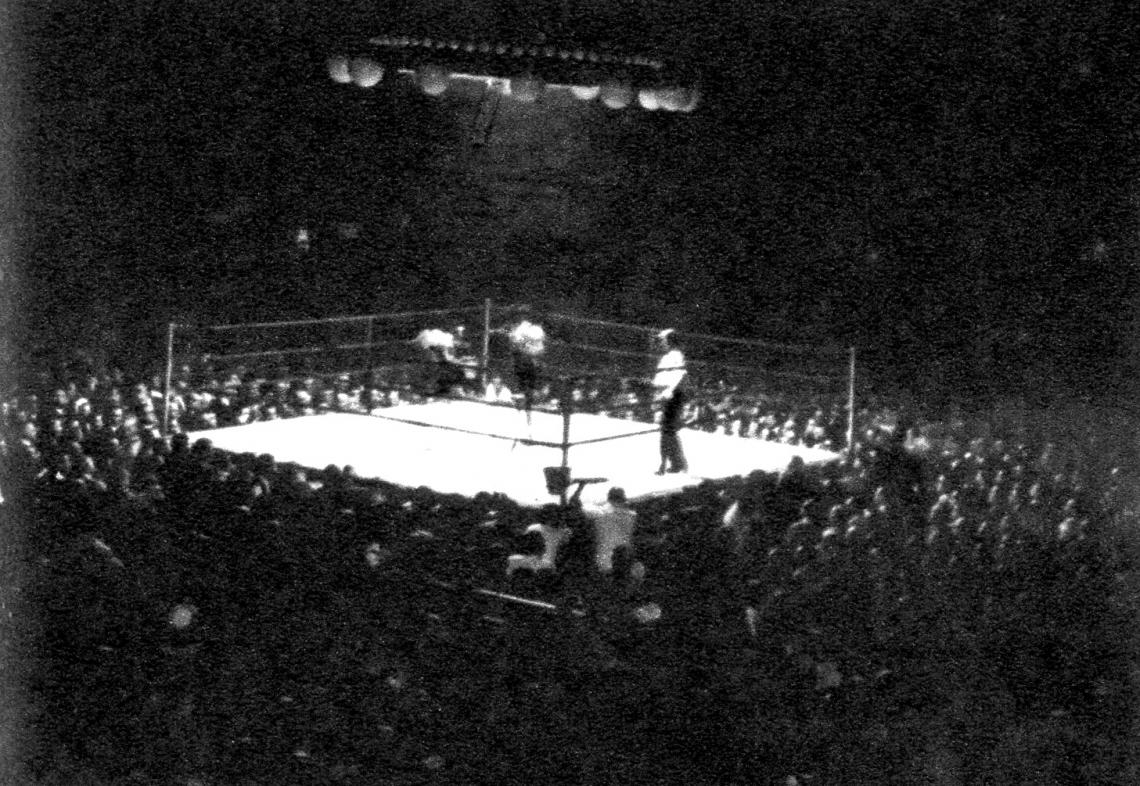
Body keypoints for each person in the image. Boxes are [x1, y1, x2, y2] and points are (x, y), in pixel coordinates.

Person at [652, 328, 688, 474]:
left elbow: (679, 375)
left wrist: (668, 392)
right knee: (668, 431)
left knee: (667, 431)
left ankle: (667, 464)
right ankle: (676, 463)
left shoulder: (675, 356)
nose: (661, 343)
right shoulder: (668, 356)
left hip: (672, 396)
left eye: (663, 340)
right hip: (668, 394)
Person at [582, 486, 637, 575]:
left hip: (604, 562)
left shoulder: (599, 513)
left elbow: (581, 508)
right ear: (623, 498)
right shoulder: (632, 516)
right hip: (625, 562)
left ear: (608, 498)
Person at [508, 310, 547, 422]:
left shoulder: (531, 329)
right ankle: (524, 412)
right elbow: (516, 342)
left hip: (529, 359)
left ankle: (526, 413)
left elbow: (516, 341)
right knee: (525, 389)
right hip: (526, 359)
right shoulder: (528, 329)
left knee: (527, 389)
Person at [413, 327, 468, 397]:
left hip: (435, 359)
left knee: (450, 371)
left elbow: (447, 356)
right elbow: (446, 357)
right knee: (444, 371)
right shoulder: (444, 341)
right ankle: (431, 390)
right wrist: (457, 361)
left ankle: (444, 388)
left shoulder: (448, 342)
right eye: (458, 334)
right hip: (433, 360)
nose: (459, 337)